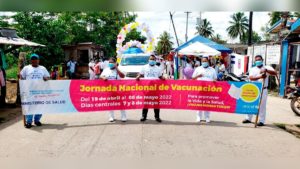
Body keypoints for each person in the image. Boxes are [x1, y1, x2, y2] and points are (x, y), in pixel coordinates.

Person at [242, 55, 277, 126]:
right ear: (255, 61)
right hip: (254, 89)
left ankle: (261, 121)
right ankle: (248, 118)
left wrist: (266, 71)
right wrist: (260, 76)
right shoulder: (252, 69)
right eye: (256, 60)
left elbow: (275, 73)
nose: (258, 61)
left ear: (262, 60)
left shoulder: (267, 67)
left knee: (262, 105)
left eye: (259, 59)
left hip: (263, 89)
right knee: (251, 103)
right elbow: (251, 78)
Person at [20, 53, 50, 129]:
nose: (34, 60)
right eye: (32, 59)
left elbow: (47, 77)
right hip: (29, 91)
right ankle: (29, 122)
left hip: (40, 91)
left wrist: (46, 78)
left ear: (38, 60)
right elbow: (21, 77)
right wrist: (21, 79)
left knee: (40, 105)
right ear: (30, 60)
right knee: (30, 106)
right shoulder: (26, 68)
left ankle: (37, 120)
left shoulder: (42, 68)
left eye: (35, 59)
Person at [136, 55, 165, 123]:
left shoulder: (158, 68)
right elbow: (141, 74)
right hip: (147, 88)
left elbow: (160, 76)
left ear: (155, 60)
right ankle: (144, 116)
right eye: (151, 59)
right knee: (146, 102)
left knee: (156, 103)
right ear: (148, 60)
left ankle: (157, 117)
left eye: (153, 59)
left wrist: (163, 78)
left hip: (156, 88)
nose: (152, 60)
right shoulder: (144, 67)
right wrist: (138, 77)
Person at [100, 57, 126, 122]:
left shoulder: (119, 69)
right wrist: (103, 78)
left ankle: (123, 117)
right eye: (109, 62)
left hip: (118, 90)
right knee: (110, 103)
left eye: (112, 62)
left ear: (115, 63)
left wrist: (117, 68)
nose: (110, 63)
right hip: (109, 89)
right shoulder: (106, 69)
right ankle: (111, 117)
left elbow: (123, 76)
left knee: (121, 103)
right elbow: (101, 76)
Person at [192, 56, 217, 123]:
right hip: (199, 89)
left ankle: (207, 117)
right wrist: (198, 76)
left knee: (207, 104)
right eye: (203, 61)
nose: (204, 62)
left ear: (208, 61)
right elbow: (193, 78)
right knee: (199, 103)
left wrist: (214, 80)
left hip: (209, 90)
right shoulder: (198, 69)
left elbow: (215, 78)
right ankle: (198, 117)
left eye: (205, 61)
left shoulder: (212, 70)